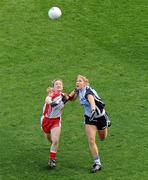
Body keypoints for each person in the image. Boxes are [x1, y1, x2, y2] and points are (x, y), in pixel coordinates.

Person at [68, 75, 111, 173]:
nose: (77, 82)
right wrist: (65, 96)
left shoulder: (88, 93)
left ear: (85, 83)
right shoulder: (78, 90)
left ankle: (107, 119)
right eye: (76, 81)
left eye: (80, 81)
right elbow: (71, 99)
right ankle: (97, 163)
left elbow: (92, 102)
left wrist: (93, 110)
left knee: (102, 138)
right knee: (91, 140)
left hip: (100, 117)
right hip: (89, 118)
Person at [40, 79, 68, 169]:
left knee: (55, 141)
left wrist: (76, 91)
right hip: (46, 120)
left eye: (60, 84)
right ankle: (53, 148)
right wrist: (51, 103)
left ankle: (52, 160)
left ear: (62, 86)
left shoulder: (64, 95)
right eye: (56, 84)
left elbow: (71, 97)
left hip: (56, 121)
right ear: (54, 87)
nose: (58, 85)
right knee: (51, 139)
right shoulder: (52, 94)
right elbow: (47, 99)